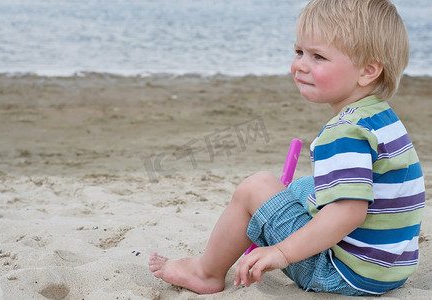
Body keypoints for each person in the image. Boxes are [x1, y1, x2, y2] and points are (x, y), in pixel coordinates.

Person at [148, 0, 425, 296]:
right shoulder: (380, 116)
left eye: (318, 56)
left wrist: (281, 252)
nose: (300, 65)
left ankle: (206, 272)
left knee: (256, 187)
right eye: (299, 52)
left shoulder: (345, 132)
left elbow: (348, 212)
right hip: (388, 269)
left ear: (368, 71)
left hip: (340, 273)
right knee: (300, 187)